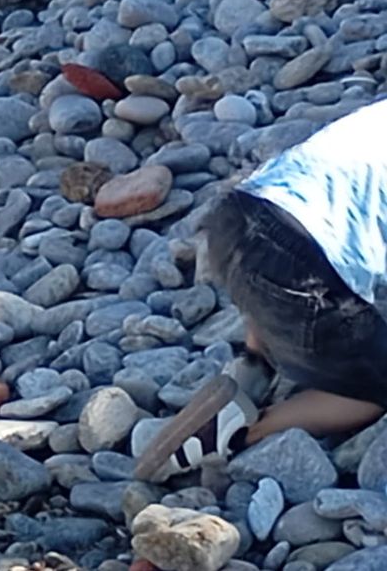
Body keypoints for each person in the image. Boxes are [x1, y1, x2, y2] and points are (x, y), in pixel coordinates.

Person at [137, 97, 387, 480]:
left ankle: (254, 366)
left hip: (237, 217)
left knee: (276, 273)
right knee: (375, 385)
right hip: (298, 263)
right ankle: (240, 434)